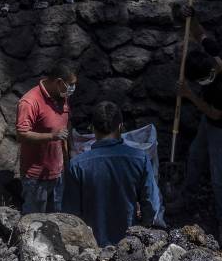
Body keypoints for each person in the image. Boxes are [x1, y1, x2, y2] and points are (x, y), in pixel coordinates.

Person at [171, 6, 222, 245]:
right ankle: (187, 196)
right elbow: (199, 33)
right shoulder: (214, 54)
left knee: (220, 177)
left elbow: (214, 112)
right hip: (208, 122)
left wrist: (190, 95)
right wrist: (191, 17)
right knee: (195, 155)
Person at [62, 101, 164, 246]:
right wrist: (143, 226)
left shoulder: (77, 165)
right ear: (120, 126)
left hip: (91, 247)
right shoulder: (139, 159)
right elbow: (151, 204)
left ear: (92, 128)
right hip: (129, 244)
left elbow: (70, 214)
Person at [15, 60, 77, 214]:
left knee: (56, 221)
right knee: (35, 223)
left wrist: (71, 152)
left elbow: (66, 124)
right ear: (59, 82)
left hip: (58, 173)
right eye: (71, 84)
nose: (72, 89)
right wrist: (51, 136)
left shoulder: (62, 97)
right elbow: (21, 135)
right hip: (36, 177)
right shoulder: (29, 102)